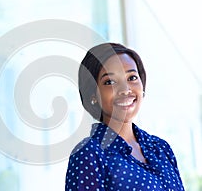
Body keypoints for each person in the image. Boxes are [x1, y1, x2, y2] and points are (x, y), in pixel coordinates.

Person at [65, 43, 184, 190]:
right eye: (110, 82)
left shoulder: (161, 148)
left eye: (132, 77)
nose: (125, 89)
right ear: (93, 95)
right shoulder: (89, 154)